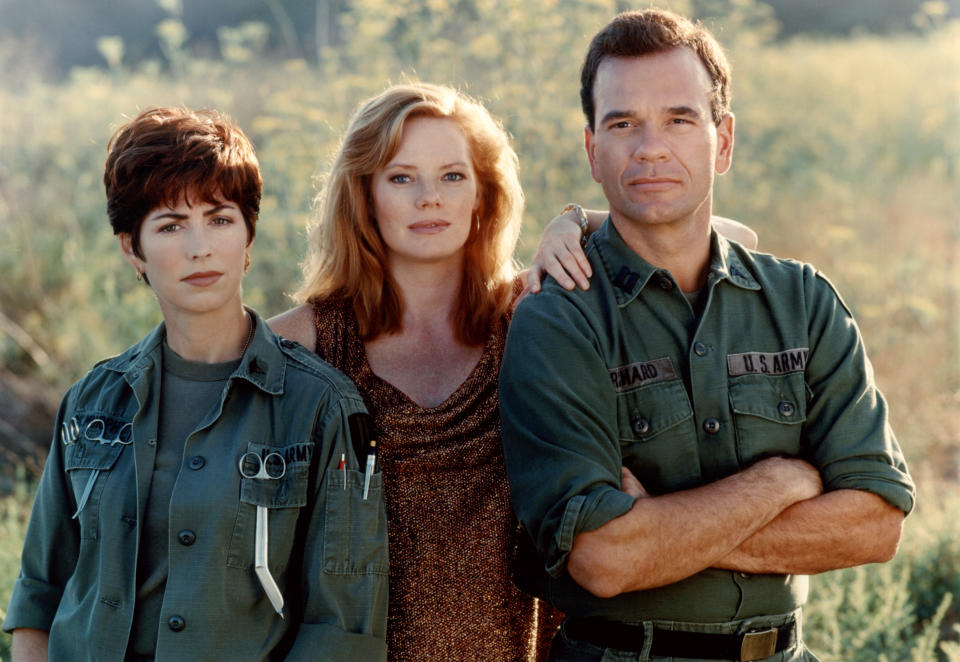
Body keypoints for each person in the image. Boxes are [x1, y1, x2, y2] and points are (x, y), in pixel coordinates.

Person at [269, 82, 757, 661]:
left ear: (482, 195)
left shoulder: (531, 315)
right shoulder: (300, 342)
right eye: (401, 177)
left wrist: (576, 223)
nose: (430, 198)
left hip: (523, 646)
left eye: (453, 176)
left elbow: (734, 239)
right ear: (365, 195)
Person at [499, 9, 916, 662]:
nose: (650, 147)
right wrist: (778, 484)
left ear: (723, 141)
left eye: (679, 118)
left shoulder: (802, 301)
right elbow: (604, 558)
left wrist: (659, 530)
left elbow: (875, 525)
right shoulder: (559, 319)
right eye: (622, 123)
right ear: (592, 151)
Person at [2, 107, 388, 662]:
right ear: (132, 249)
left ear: (249, 236)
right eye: (171, 226)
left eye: (220, 218)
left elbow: (342, 627)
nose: (199, 247)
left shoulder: (321, 408)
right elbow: (40, 593)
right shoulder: (91, 402)